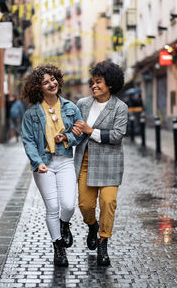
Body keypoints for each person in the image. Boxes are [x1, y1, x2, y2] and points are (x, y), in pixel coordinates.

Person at [21, 64, 83, 267]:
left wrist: (66, 137)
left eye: (53, 79)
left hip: (65, 161)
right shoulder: (31, 113)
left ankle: (64, 225)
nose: (51, 83)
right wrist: (36, 163)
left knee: (68, 205)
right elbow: (28, 140)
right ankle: (59, 248)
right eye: (45, 81)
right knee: (53, 207)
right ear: (38, 87)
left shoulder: (70, 108)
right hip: (44, 164)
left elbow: (79, 132)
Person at [72, 60, 128, 266]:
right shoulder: (82, 104)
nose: (94, 86)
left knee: (108, 202)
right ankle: (92, 226)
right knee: (84, 205)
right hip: (85, 161)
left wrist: (90, 131)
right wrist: (72, 133)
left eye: (99, 82)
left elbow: (117, 135)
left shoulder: (120, 107)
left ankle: (103, 242)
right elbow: (76, 132)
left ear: (110, 84)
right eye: (93, 82)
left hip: (110, 162)